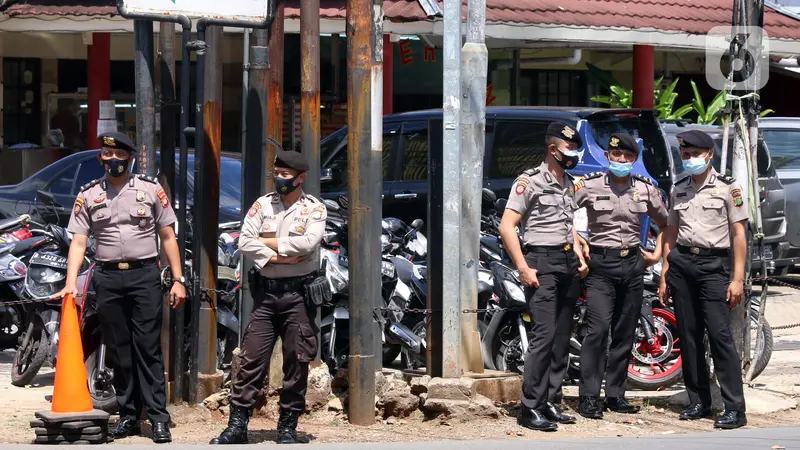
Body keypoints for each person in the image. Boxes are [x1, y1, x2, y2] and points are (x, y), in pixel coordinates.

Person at [54, 131, 186, 443]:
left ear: (129, 157)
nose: (112, 160)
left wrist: (178, 280)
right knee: (118, 350)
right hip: (108, 278)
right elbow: (79, 241)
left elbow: (168, 236)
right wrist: (71, 283)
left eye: (118, 155)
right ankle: (128, 415)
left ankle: (157, 417)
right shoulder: (88, 194)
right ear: (101, 158)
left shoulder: (150, 190)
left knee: (148, 348)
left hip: (144, 276)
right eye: (106, 155)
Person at [211, 150, 327, 445]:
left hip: (298, 296)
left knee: (297, 361)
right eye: (278, 173)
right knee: (251, 359)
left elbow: (309, 242)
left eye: (287, 175)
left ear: (301, 178)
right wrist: (279, 256)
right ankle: (237, 426)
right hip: (265, 296)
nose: (280, 179)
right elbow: (245, 240)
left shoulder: (314, 209)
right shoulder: (263, 204)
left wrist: (266, 246)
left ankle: (287, 426)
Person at [499, 121, 588, 432]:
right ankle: (530, 407)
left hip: (566, 262)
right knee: (544, 336)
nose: (575, 154)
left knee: (562, 336)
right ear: (553, 149)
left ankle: (551, 399)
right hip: (541, 262)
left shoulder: (567, 181)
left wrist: (577, 249)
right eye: (571, 148)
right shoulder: (530, 182)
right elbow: (507, 226)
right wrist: (523, 266)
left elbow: (567, 222)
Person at [572, 132, 668, 419]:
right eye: (617, 156)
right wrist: (578, 241)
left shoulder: (645, 189)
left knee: (625, 333)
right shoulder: (588, 186)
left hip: (633, 265)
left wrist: (657, 253)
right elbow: (562, 214)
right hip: (600, 265)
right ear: (608, 157)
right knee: (598, 331)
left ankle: (615, 395)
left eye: (628, 157)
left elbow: (666, 222)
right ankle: (589, 396)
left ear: (635, 160)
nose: (622, 161)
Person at [658, 129, 748, 429]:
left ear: (709, 155)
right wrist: (665, 271)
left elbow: (739, 235)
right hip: (683, 263)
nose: (690, 159)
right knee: (689, 334)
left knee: (720, 336)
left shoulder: (728, 188)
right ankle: (698, 401)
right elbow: (671, 230)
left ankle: (735, 407)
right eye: (685, 155)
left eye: (695, 154)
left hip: (714, 266)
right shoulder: (679, 186)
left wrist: (737, 279)